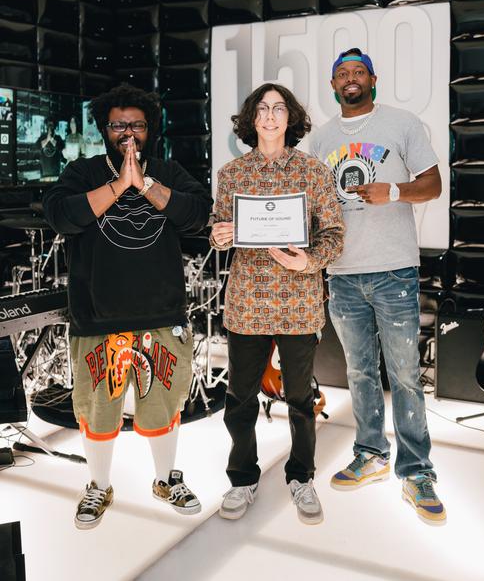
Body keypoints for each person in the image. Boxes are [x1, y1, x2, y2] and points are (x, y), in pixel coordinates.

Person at [43, 84, 212, 529]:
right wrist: (121, 185)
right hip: (98, 316)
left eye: (136, 124)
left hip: (161, 314)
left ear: (149, 128)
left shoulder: (169, 171)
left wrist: (148, 185)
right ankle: (98, 485)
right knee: (97, 410)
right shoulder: (81, 172)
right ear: (105, 128)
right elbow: (61, 216)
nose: (128, 132)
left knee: (165, 405)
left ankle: (165, 479)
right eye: (119, 124)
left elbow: (198, 213)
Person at [311, 48, 446, 525]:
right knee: (360, 374)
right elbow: (315, 208)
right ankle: (371, 453)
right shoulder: (321, 139)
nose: (350, 79)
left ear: (373, 78)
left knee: (406, 374)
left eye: (358, 72)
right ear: (333, 85)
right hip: (343, 275)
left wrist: (394, 191)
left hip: (393, 270)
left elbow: (433, 185)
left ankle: (416, 471)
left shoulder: (402, 123)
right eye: (341, 73)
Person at [211, 83, 344, 525]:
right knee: (240, 398)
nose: (270, 116)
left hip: (298, 302)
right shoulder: (232, 173)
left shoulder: (313, 172)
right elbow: (217, 224)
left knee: (302, 398)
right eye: (262, 109)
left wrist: (310, 259)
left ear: (291, 118)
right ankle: (242, 479)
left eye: (279, 108)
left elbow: (334, 235)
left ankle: (301, 476)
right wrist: (219, 234)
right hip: (248, 303)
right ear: (252, 119)